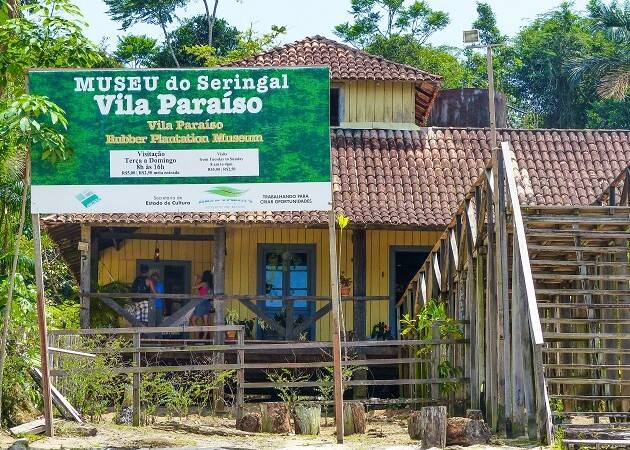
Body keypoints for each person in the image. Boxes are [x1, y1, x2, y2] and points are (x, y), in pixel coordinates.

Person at [190, 270, 213, 339]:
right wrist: (198, 279)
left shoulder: (203, 283)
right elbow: (200, 292)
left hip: (201, 303)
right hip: (207, 303)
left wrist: (194, 280)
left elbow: (193, 288)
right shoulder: (210, 284)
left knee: (193, 320)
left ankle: (197, 337)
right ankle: (204, 338)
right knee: (206, 322)